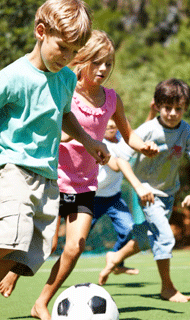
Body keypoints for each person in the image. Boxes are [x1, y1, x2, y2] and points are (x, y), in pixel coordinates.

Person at [4, 29, 157, 320]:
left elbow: (128, 135)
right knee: (42, 243)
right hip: (52, 176)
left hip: (85, 183)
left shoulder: (112, 99)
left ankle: (41, 302)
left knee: (75, 247)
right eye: (97, 62)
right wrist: (62, 137)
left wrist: (144, 146)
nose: (103, 69)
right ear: (82, 60)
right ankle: (13, 270)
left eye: (109, 64)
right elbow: (52, 122)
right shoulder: (67, 88)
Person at [0, 0, 113, 311]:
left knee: (25, 253)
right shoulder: (12, 77)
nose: (66, 57)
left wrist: (91, 143)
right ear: (41, 32)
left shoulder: (66, 78)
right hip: (14, 168)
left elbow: (65, 116)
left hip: (48, 177)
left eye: (73, 51)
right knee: (10, 237)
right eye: (62, 47)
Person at [98, 78, 190, 303]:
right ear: (157, 105)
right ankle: (167, 288)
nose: (173, 113)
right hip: (147, 193)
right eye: (167, 108)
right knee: (164, 237)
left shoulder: (186, 131)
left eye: (179, 108)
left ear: (185, 108)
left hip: (168, 192)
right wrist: (138, 186)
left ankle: (115, 256)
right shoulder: (147, 130)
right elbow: (122, 160)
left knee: (147, 238)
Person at [91, 118, 155, 275]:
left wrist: (152, 112)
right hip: (90, 199)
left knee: (128, 229)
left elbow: (138, 136)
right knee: (77, 239)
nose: (112, 124)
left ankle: (117, 262)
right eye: (108, 120)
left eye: (115, 120)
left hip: (113, 198)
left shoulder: (122, 141)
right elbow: (115, 165)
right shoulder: (94, 140)